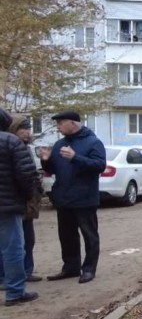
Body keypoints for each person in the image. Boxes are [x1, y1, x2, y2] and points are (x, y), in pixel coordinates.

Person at [39, 111, 106, 284]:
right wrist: (46, 161)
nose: (58, 127)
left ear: (73, 123)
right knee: (66, 236)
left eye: (61, 123)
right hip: (64, 198)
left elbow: (99, 166)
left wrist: (76, 157)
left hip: (84, 198)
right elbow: (53, 169)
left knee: (89, 234)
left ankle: (89, 269)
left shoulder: (93, 142)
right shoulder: (60, 144)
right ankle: (70, 268)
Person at [0, 109, 40, 306]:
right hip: (7, 206)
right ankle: (15, 292)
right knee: (13, 247)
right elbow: (27, 174)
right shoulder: (10, 141)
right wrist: (25, 197)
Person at [5, 115, 44, 282]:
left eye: (29, 129)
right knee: (13, 243)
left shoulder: (25, 147)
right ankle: (11, 279)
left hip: (27, 203)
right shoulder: (10, 145)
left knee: (28, 238)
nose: (28, 133)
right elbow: (22, 175)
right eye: (24, 129)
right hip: (14, 201)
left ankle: (27, 270)